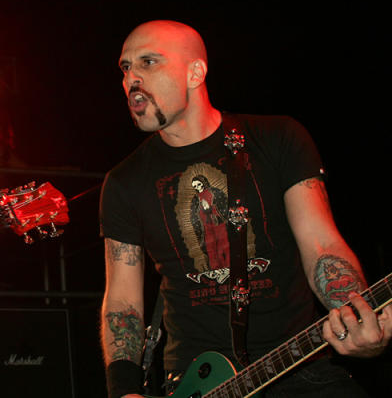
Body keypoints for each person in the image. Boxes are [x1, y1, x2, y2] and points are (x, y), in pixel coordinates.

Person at [99, 20, 390, 397]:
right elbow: (122, 301)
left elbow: (321, 245)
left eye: (148, 62)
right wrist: (124, 391)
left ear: (195, 72)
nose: (132, 78)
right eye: (125, 68)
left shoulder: (277, 138)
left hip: (297, 366)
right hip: (195, 383)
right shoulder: (125, 181)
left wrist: (356, 316)